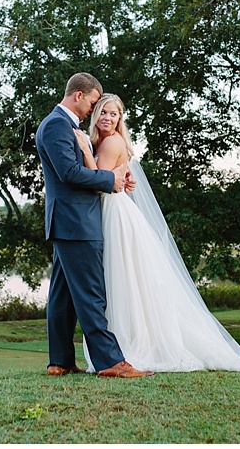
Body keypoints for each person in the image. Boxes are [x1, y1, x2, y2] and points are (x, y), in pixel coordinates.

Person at [73, 93, 240, 373]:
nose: (107, 118)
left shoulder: (110, 142)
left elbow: (100, 182)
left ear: (120, 119)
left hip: (115, 215)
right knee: (123, 280)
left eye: (113, 114)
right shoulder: (102, 141)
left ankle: (126, 347)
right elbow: (113, 177)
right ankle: (118, 346)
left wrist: (86, 153)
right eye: (102, 112)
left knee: (121, 278)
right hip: (110, 211)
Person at [35, 73, 154, 379]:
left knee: (62, 296)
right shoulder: (57, 126)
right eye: (91, 101)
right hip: (76, 221)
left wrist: (117, 175)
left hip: (70, 221)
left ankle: (59, 361)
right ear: (78, 95)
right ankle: (111, 362)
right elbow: (69, 173)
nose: (93, 108)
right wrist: (109, 179)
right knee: (91, 294)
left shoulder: (64, 126)